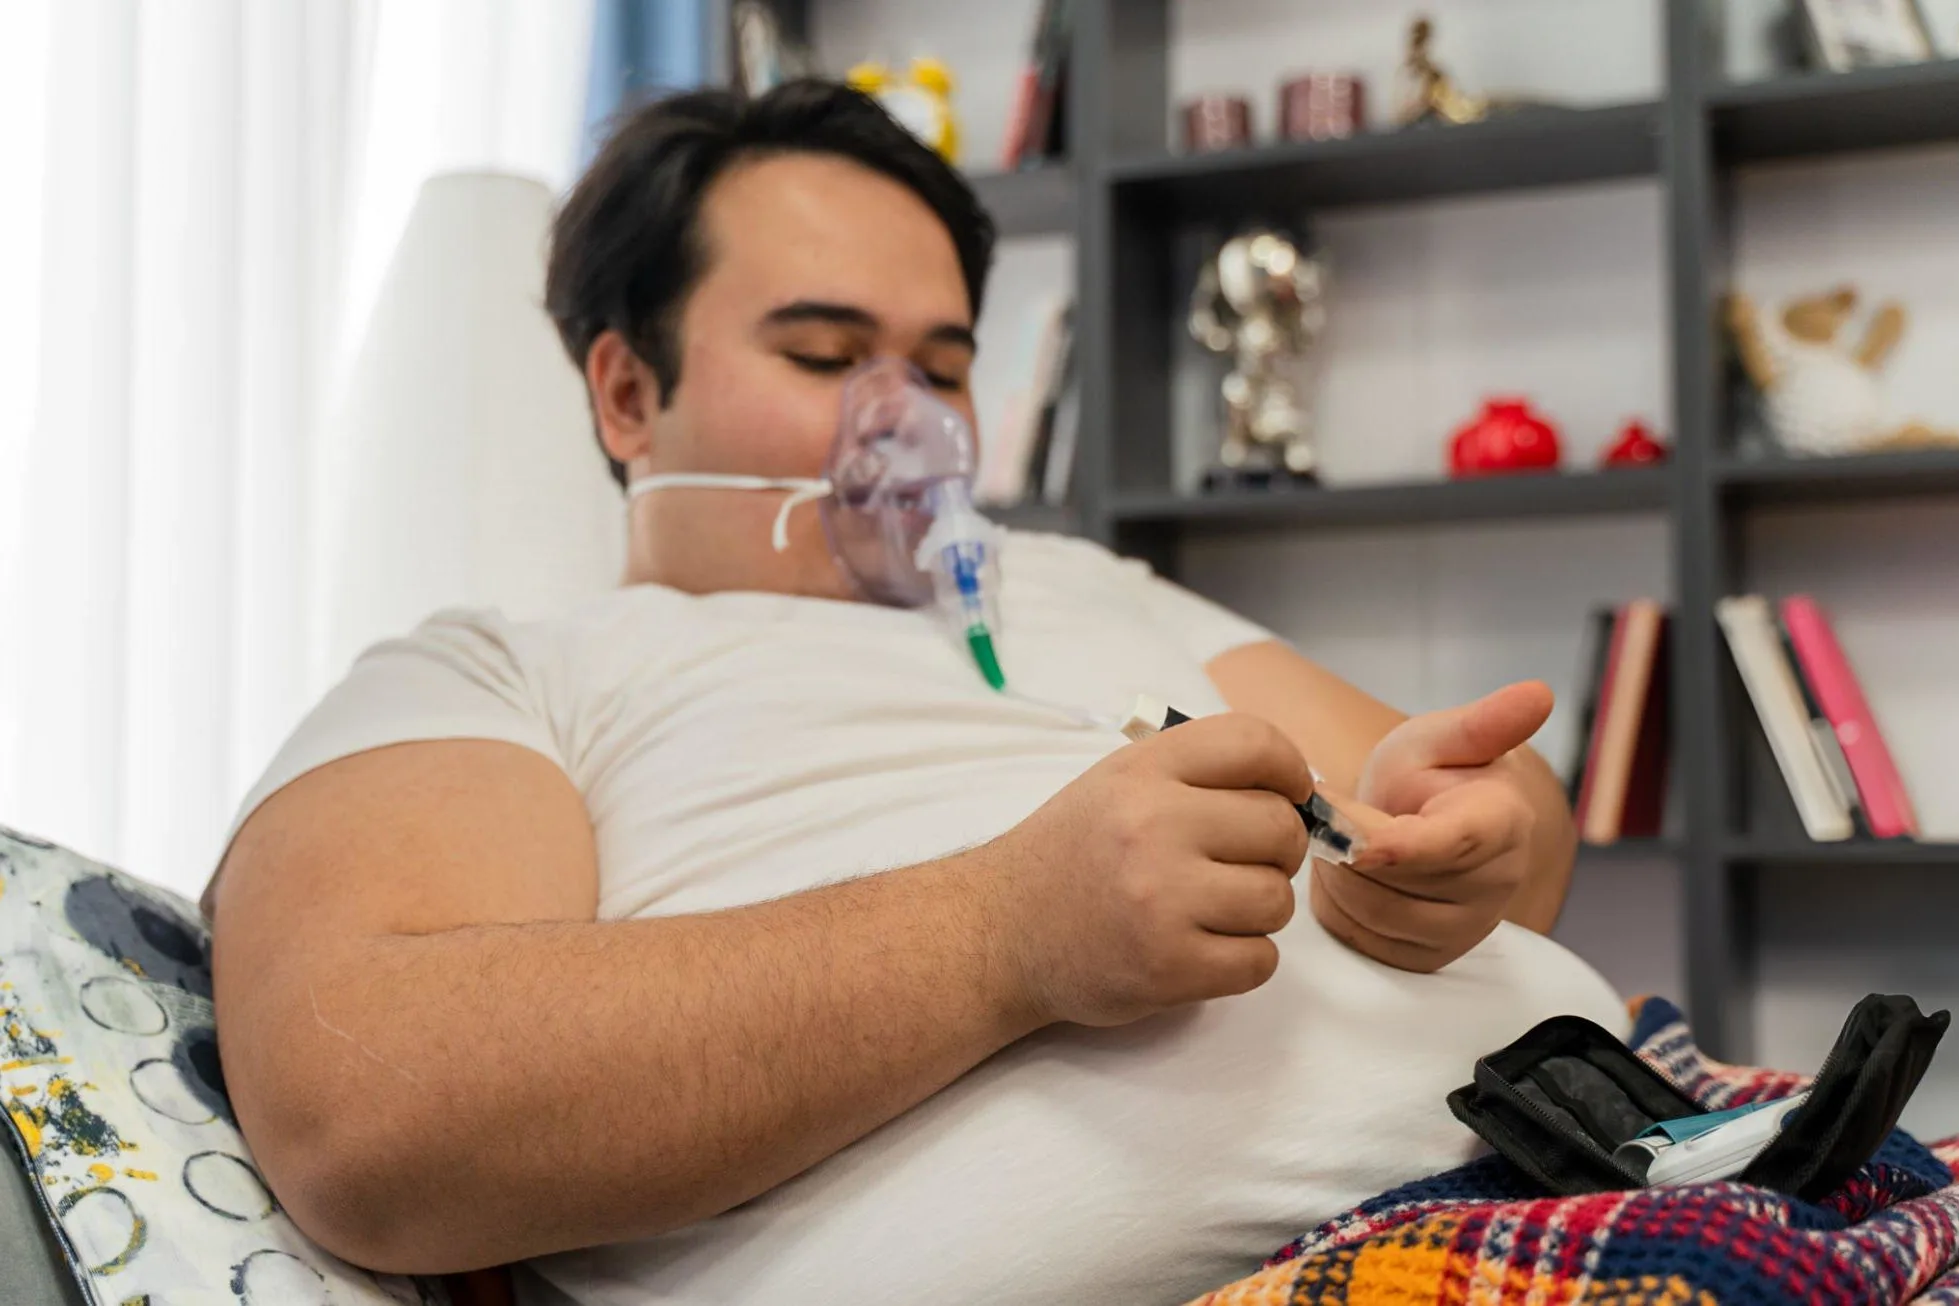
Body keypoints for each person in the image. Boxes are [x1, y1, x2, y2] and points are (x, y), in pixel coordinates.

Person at [207, 79, 1623, 1305]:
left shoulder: (1078, 587)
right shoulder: (502, 672)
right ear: (628, 395)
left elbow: (1504, 829)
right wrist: (1003, 930)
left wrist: (1468, 841)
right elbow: (368, 1110)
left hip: (1601, 1175)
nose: (906, 422)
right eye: (822, 357)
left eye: (941, 368)